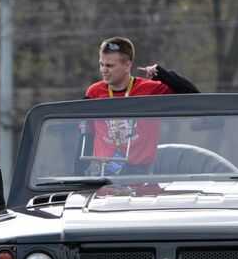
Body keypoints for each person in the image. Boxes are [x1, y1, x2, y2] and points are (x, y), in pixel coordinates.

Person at [82, 37, 198, 175]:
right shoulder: (93, 92)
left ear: (127, 65)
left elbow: (194, 95)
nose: (103, 70)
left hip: (140, 174)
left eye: (109, 66)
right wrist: (76, 174)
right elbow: (86, 136)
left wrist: (162, 73)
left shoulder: (150, 89)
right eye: (101, 64)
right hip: (101, 172)